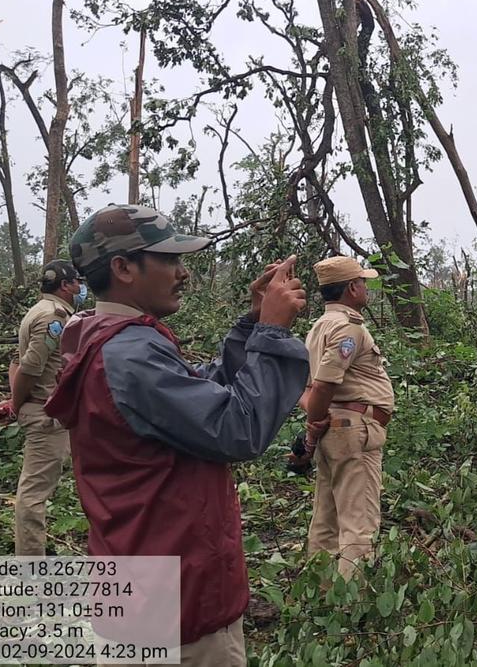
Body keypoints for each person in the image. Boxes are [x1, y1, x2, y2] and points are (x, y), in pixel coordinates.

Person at [43, 204, 309, 666]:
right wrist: (270, 332)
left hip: (142, 589)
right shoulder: (130, 355)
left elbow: (198, 396)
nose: (183, 272)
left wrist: (249, 324)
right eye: (169, 259)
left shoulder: (106, 338)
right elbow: (237, 428)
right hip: (179, 609)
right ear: (124, 268)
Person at [299, 256, 394, 579]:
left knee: (326, 520)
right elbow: (324, 383)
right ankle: (350, 613)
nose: (366, 289)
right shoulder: (348, 330)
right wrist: (314, 425)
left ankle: (320, 595)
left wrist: (315, 424)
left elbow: (307, 386)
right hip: (353, 432)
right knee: (359, 525)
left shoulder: (318, 327)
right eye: (363, 283)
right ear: (353, 288)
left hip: (334, 431)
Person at [2, 259, 85, 555]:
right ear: (64, 285)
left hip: (51, 412)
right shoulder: (53, 317)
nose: (80, 287)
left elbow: (16, 359)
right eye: (77, 282)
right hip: (45, 415)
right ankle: (30, 566)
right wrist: (16, 403)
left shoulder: (39, 311)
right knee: (33, 494)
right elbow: (29, 368)